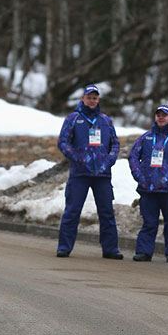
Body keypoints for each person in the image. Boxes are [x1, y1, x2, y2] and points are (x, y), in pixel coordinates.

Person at [56, 84, 123, 259]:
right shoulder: (73, 119)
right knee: (72, 210)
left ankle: (111, 249)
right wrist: (77, 158)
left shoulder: (105, 121)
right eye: (89, 97)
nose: (92, 100)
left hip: (102, 174)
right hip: (80, 174)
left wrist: (109, 160)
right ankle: (64, 247)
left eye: (95, 98)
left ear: (98, 100)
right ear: (83, 99)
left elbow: (115, 143)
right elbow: (63, 142)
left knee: (107, 212)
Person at [128, 105, 168, 263]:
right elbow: (133, 156)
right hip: (147, 188)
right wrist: (139, 176)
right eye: (158, 115)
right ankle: (144, 252)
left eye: (164, 115)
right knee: (148, 222)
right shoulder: (146, 137)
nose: (161, 118)